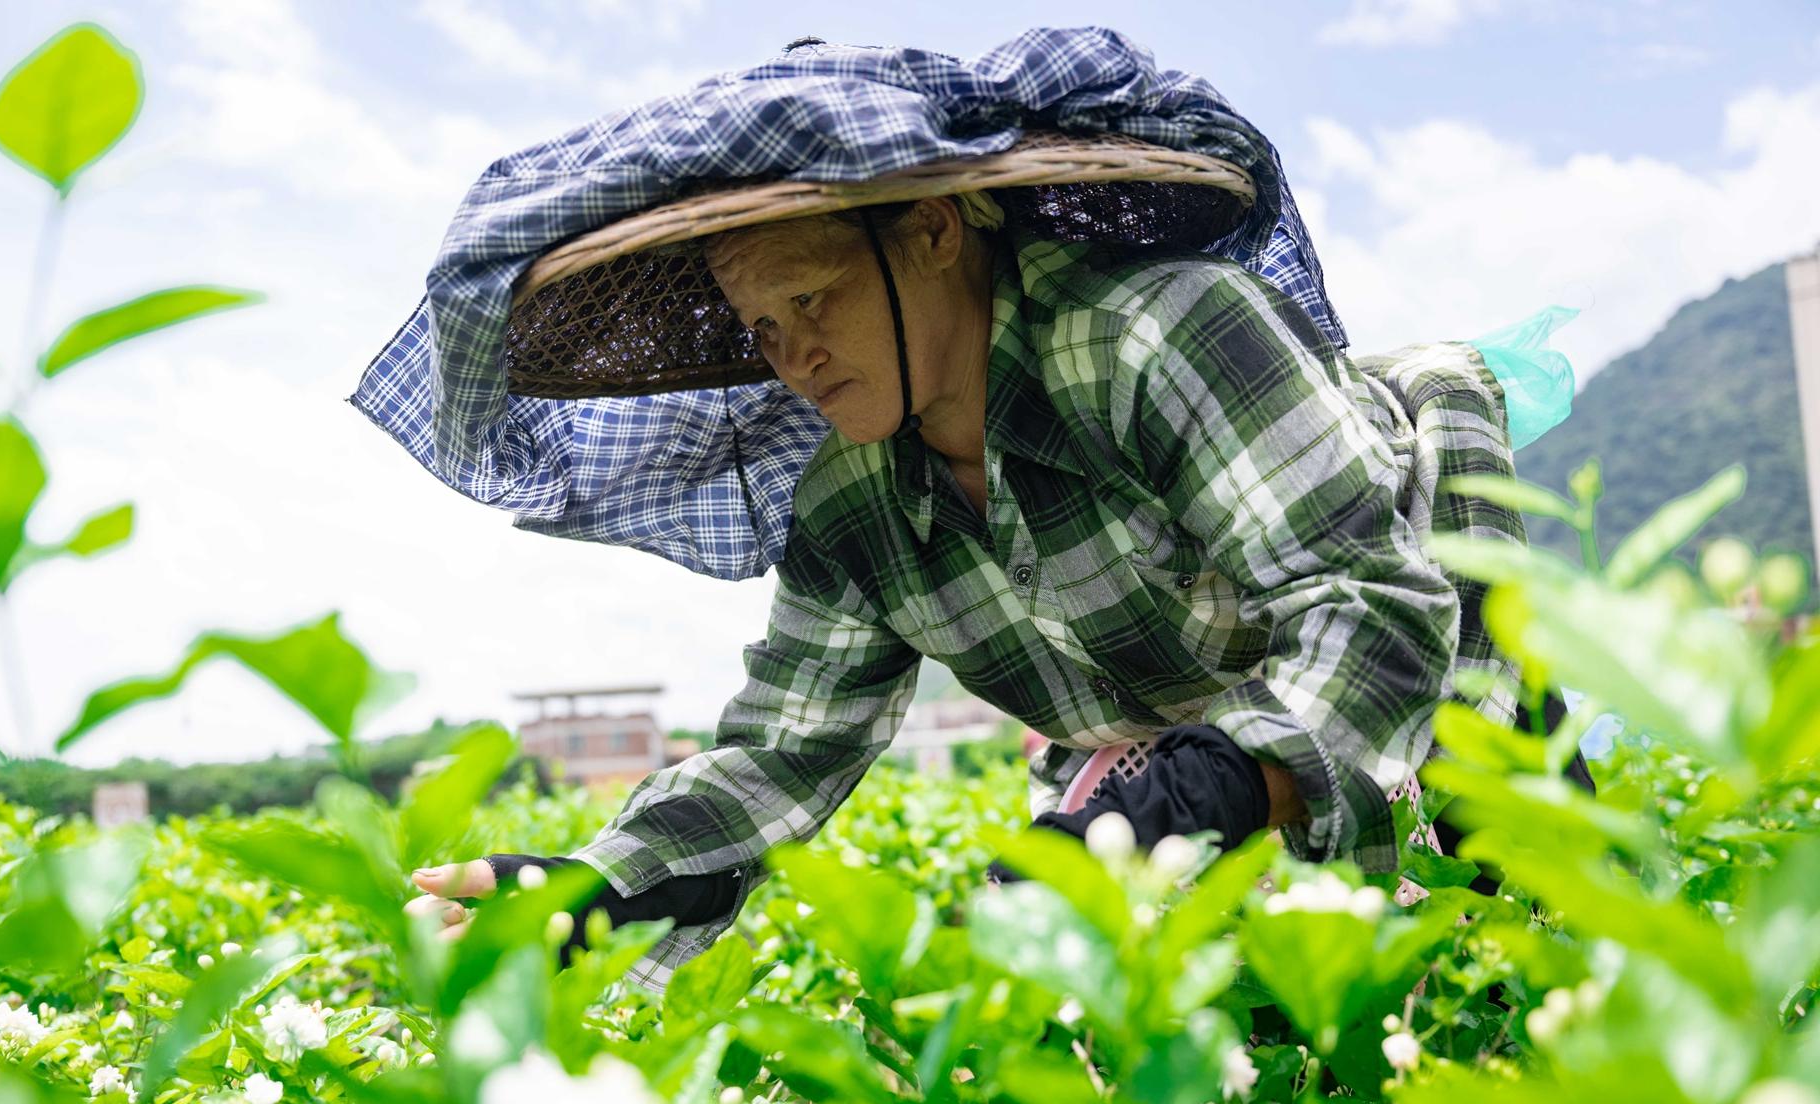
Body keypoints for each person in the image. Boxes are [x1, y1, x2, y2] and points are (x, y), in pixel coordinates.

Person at [405, 181, 1585, 986]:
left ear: (931, 230)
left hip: (1427, 630)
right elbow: (782, 752)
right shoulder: (850, 502)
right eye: (762, 327)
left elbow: (1368, 603)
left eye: (811, 298)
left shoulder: (1154, 335)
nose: (793, 354)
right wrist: (593, 891)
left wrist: (1210, 786)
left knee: (1529, 951)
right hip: (1183, 723)